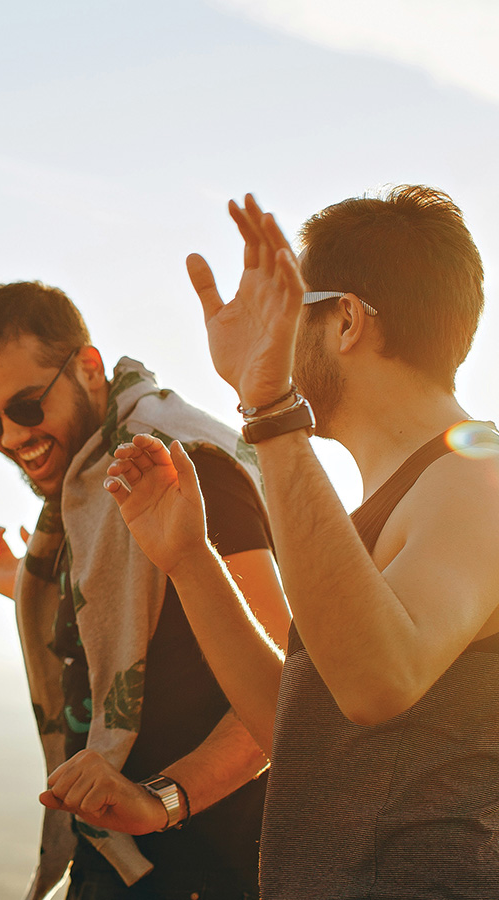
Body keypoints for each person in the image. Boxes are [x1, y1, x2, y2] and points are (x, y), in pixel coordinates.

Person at [99, 186, 499, 898]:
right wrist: (191, 561)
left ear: (345, 321)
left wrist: (269, 407)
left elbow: (379, 682)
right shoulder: (389, 501)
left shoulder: (479, 474)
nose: (273, 340)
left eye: (291, 316)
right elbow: (300, 729)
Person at [0, 281, 289, 900]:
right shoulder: (87, 493)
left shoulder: (187, 468)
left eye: (26, 407)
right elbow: (142, 622)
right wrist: (29, 588)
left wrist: (159, 801)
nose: (9, 437)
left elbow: (284, 690)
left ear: (86, 368)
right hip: (114, 864)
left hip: (208, 868)